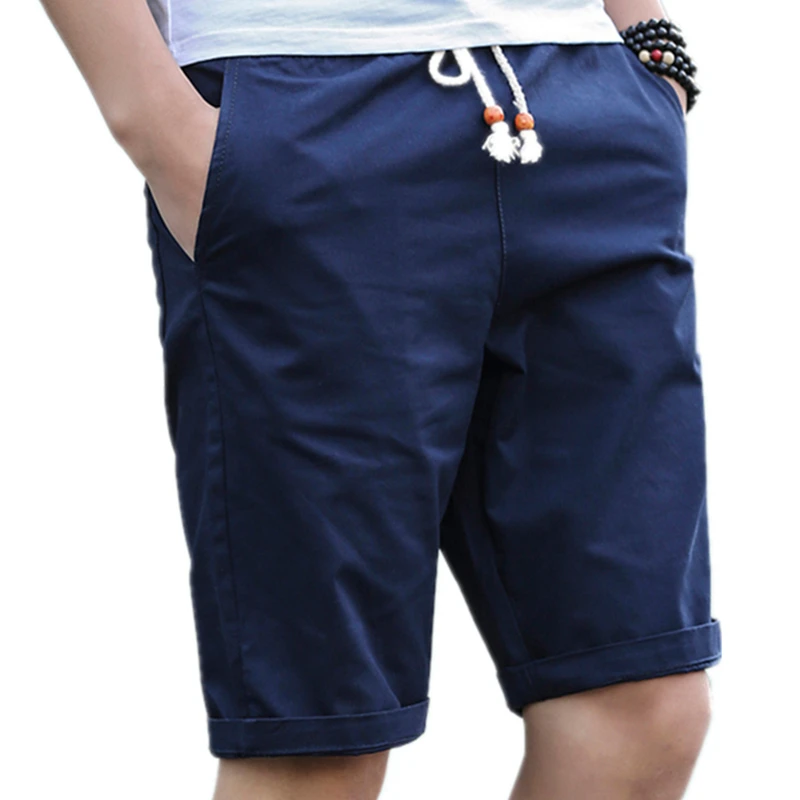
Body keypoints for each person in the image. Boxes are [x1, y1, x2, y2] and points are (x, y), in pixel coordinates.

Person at [39, 0, 721, 797]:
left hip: (581, 104)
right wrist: (157, 122)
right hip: (302, 112)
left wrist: (648, 46)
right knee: (321, 744)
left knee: (644, 702)